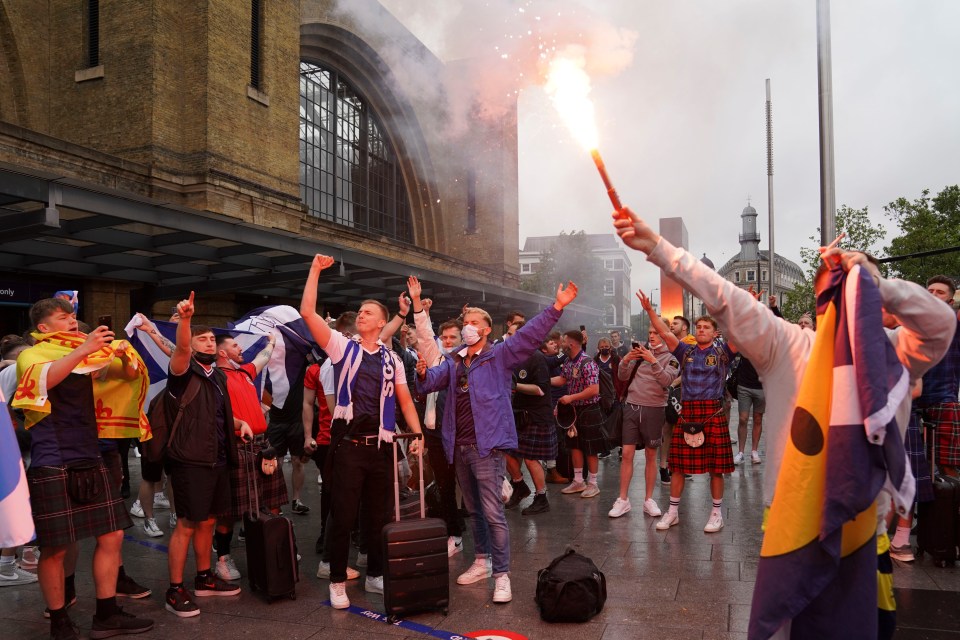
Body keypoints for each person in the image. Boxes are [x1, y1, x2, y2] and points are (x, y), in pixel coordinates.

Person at [612, 206, 955, 528]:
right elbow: (725, 295)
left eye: (865, 283)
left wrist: (875, 283)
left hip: (863, 535)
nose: (853, 287)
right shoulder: (788, 343)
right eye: (842, 280)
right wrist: (659, 247)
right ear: (822, 295)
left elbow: (940, 324)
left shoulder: (896, 349)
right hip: (791, 529)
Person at [415, 279, 578, 604]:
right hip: (458, 446)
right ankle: (481, 561)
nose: (467, 328)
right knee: (474, 509)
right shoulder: (455, 360)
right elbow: (431, 382)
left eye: (474, 323)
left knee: (491, 512)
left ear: (487, 330)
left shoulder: (500, 356)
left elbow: (531, 334)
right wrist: (421, 374)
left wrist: (556, 307)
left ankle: (501, 575)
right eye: (466, 323)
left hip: (486, 448)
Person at [14, 298, 153, 639]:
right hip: (52, 459)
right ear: (43, 328)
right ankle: (60, 621)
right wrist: (85, 349)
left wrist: (124, 355)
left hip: (90, 454)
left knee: (113, 534)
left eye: (74, 316)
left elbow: (122, 375)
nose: (73, 322)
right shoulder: (31, 354)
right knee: (56, 546)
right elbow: (44, 382)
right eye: (63, 318)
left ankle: (106, 614)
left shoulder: (87, 354)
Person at [299, 255, 424, 611]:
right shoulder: (342, 347)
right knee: (343, 515)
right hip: (350, 446)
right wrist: (314, 271)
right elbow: (308, 313)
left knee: (379, 516)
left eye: (368, 312)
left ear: (381, 322)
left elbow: (406, 401)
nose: (361, 315)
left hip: (381, 447)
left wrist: (417, 435)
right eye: (360, 312)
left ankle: (375, 575)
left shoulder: (392, 359)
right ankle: (337, 579)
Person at [164, 292, 253, 618]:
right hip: (190, 459)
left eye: (212, 339)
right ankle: (174, 590)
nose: (207, 343)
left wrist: (239, 422)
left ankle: (204, 578)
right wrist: (186, 320)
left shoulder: (217, 376)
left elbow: (215, 414)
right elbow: (183, 349)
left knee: (210, 521)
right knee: (187, 524)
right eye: (202, 338)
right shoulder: (183, 370)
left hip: (217, 456)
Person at [213, 332, 285, 582]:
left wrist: (271, 344)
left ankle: (276, 546)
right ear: (222, 353)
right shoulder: (213, 378)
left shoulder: (245, 372)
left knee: (272, 501)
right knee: (229, 510)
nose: (240, 348)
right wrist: (151, 332)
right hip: (235, 445)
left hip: (262, 445)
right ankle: (222, 559)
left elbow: (263, 359)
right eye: (234, 345)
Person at [609, 327, 679, 518]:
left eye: (656, 332)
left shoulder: (672, 357)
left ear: (664, 335)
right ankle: (623, 500)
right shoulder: (640, 352)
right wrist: (627, 359)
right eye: (649, 332)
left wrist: (653, 360)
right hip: (631, 406)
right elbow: (623, 376)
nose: (651, 335)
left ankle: (648, 500)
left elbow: (666, 381)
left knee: (650, 454)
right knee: (627, 453)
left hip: (655, 408)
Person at [552, 330, 607, 499]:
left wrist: (571, 397)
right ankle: (578, 481)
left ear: (572, 344)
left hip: (589, 409)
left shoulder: (587, 362)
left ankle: (593, 483)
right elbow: (562, 380)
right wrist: (541, 380)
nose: (561, 344)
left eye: (563, 341)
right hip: (574, 410)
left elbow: (593, 390)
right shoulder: (569, 362)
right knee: (574, 445)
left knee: (590, 448)